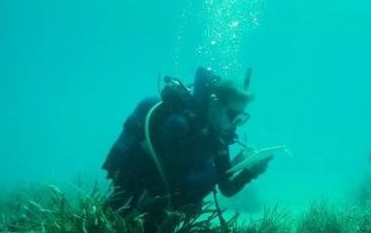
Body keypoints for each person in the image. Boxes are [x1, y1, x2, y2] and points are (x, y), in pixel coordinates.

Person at [102, 67, 271, 219]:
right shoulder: (179, 124)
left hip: (166, 187)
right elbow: (179, 191)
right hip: (138, 172)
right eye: (233, 115)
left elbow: (226, 188)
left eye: (241, 118)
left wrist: (249, 171)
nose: (234, 124)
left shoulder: (218, 135)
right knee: (116, 216)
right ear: (215, 103)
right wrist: (236, 164)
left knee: (168, 220)